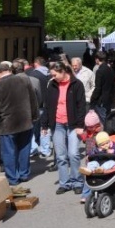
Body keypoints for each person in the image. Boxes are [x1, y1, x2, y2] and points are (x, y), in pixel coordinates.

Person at [0, 61, 38, 186]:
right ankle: (24, 174)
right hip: (25, 121)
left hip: (8, 124)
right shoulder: (24, 81)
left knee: (9, 152)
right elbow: (33, 100)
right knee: (24, 149)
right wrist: (35, 117)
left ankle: (13, 178)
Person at [43, 60, 88, 195]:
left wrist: (80, 125)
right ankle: (64, 183)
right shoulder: (52, 85)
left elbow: (81, 106)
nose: (53, 77)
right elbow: (47, 106)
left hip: (73, 125)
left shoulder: (76, 84)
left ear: (63, 72)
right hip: (57, 124)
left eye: (55, 74)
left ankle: (77, 182)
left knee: (73, 154)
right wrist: (44, 125)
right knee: (61, 156)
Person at [89, 50, 115, 121]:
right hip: (109, 99)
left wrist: (93, 99)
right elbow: (113, 85)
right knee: (108, 119)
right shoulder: (111, 69)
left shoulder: (100, 71)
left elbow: (98, 88)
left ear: (97, 59)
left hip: (102, 100)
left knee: (102, 121)